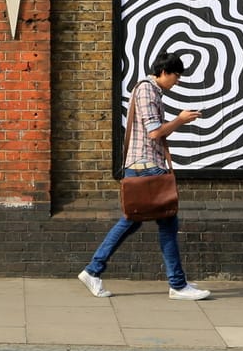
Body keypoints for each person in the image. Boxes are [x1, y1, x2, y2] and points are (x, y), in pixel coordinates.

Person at [78, 50, 210, 301]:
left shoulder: (150, 90)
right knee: (167, 224)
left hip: (142, 165)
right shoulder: (148, 90)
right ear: (164, 72)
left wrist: (177, 122)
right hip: (147, 166)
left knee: (132, 221)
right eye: (176, 76)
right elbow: (154, 132)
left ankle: (93, 270)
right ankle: (178, 285)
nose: (178, 81)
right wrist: (180, 120)